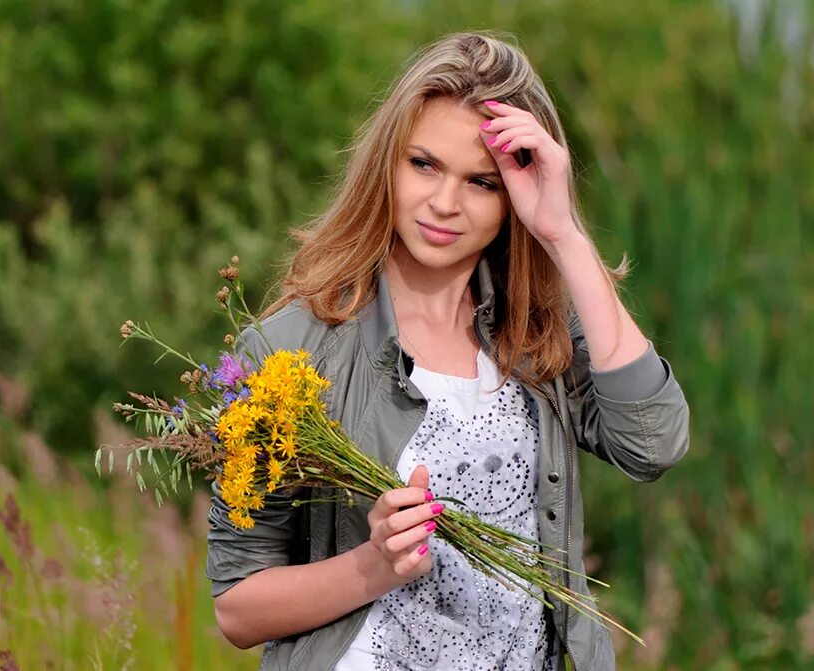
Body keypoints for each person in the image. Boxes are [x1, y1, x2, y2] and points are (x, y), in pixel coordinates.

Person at [206, 32, 689, 671]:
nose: (444, 203)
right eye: (424, 164)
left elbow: (652, 444)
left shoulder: (540, 338)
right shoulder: (289, 349)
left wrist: (563, 233)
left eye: (482, 182)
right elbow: (237, 608)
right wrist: (373, 565)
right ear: (387, 162)